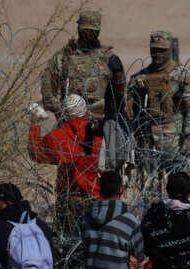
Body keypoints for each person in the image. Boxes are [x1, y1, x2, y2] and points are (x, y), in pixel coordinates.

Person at [41, 10, 131, 171]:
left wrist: (110, 119)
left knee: (102, 174)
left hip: (101, 130)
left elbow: (119, 95)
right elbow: (48, 91)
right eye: (85, 31)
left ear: (98, 31)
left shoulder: (109, 59)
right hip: (71, 128)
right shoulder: (63, 58)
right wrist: (62, 112)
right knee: (71, 177)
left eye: (91, 32)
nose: (87, 35)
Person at [127, 31, 190, 198]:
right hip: (147, 142)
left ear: (169, 50)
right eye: (154, 50)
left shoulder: (183, 77)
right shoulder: (139, 78)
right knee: (149, 193)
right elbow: (129, 110)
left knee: (180, 192)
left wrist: (189, 138)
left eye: (162, 50)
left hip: (175, 143)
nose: (157, 54)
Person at [28, 94, 103, 234]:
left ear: (65, 113)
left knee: (70, 247)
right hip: (96, 199)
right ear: (85, 111)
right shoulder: (98, 133)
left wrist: (34, 124)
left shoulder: (58, 137)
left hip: (69, 201)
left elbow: (36, 153)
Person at [81, 171, 144, 269]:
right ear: (121, 190)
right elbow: (138, 252)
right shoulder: (130, 221)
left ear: (100, 191)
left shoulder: (86, 219)